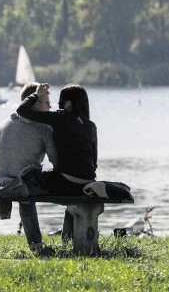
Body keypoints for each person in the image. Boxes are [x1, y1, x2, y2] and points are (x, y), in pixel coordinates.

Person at [16, 83, 98, 239]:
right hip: (87, 184)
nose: (58, 104)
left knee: (28, 178)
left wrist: (37, 95)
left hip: (65, 184)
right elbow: (94, 161)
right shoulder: (91, 126)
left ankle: (38, 240)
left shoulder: (59, 118)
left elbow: (22, 111)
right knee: (72, 195)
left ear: (69, 102)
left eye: (62, 100)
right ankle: (67, 238)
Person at [0, 82, 58, 256]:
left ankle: (36, 244)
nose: (50, 107)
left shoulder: (4, 123)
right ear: (35, 103)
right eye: (47, 103)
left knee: (25, 182)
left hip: (0, 182)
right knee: (32, 187)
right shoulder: (44, 129)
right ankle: (37, 245)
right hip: (23, 185)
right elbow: (56, 161)